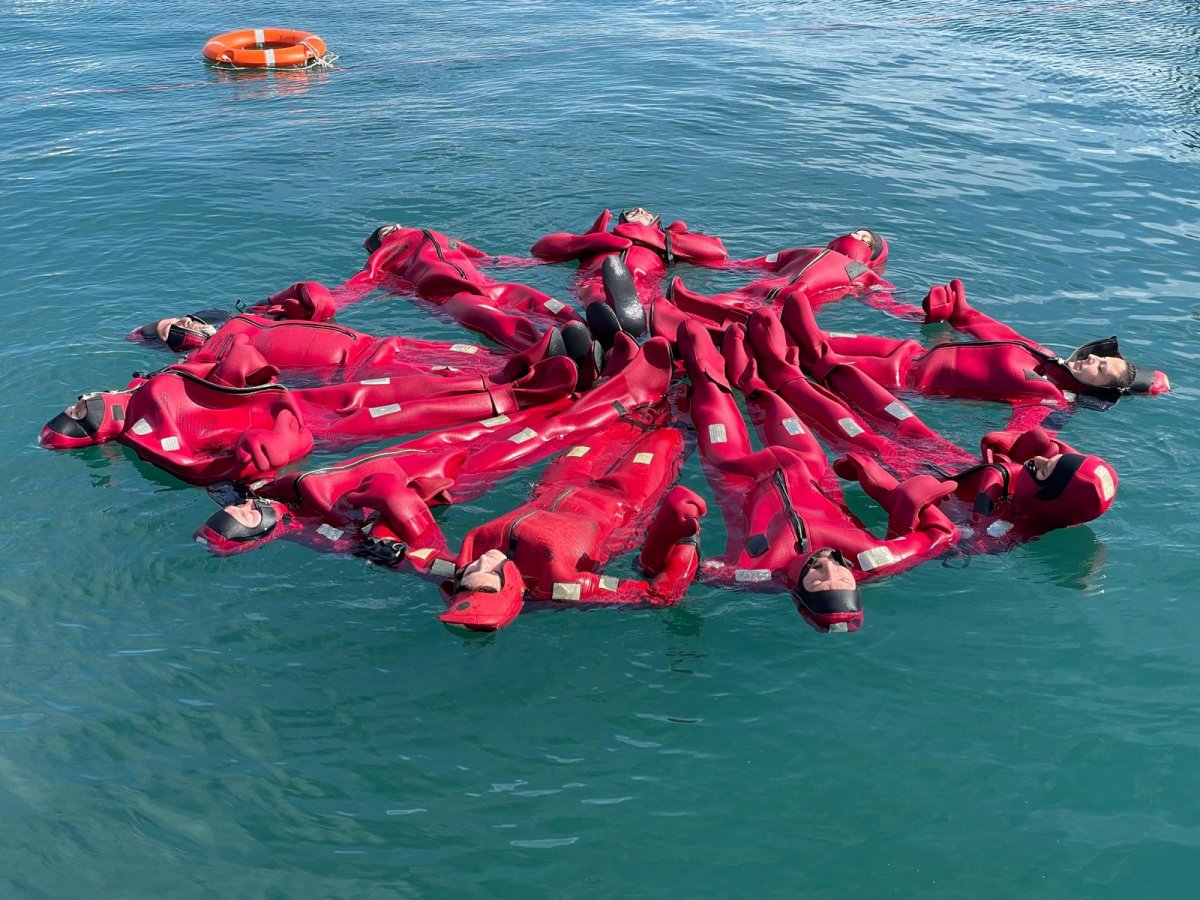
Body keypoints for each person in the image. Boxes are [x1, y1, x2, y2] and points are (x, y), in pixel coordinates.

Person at [677, 319, 960, 633]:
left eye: (817, 582)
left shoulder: (756, 573)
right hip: (809, 469)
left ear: (798, 593)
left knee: (711, 398)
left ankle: (704, 365)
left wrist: (682, 541)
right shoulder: (876, 560)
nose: (828, 568)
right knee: (771, 400)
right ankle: (757, 368)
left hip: (738, 477)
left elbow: (689, 573)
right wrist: (886, 489)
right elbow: (942, 535)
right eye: (842, 579)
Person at [40, 336, 578, 485]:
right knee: (403, 412)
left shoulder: (150, 387)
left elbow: (231, 362)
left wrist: (234, 361)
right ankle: (532, 394)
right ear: (96, 430)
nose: (81, 401)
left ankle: (519, 370)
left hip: (290, 402)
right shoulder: (149, 435)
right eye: (80, 413)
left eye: (77, 403)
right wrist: (266, 447)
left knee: (397, 387)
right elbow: (205, 465)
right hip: (297, 422)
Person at [783, 278, 1169, 419]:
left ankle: (785, 353)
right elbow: (999, 333)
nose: (1095, 359)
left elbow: (1021, 434)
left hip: (904, 378)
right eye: (1103, 358)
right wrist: (961, 312)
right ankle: (784, 331)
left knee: (802, 354)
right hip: (906, 350)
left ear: (1098, 390)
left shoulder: (1050, 398)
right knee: (803, 332)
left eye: (1101, 369)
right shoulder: (1048, 357)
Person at [654, 228, 894, 339]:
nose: (855, 236)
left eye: (865, 239)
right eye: (855, 232)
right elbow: (757, 263)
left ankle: (702, 335)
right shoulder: (808, 251)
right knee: (717, 302)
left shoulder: (858, 270)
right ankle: (668, 321)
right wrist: (695, 258)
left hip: (792, 302)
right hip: (758, 289)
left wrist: (913, 314)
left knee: (754, 322)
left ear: (872, 254)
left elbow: (882, 297)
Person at [531, 207, 729, 307]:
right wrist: (587, 240)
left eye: (646, 213)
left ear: (656, 224)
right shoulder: (601, 241)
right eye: (634, 211)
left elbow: (718, 253)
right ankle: (604, 317)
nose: (640, 211)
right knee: (595, 291)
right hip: (594, 281)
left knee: (638, 300)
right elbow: (539, 250)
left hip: (639, 286)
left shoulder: (664, 248)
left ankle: (625, 321)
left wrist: (667, 241)